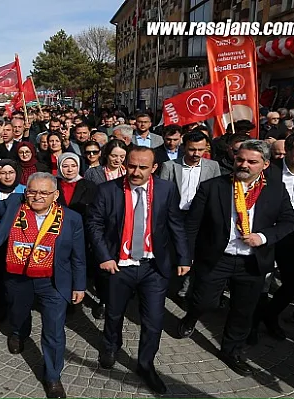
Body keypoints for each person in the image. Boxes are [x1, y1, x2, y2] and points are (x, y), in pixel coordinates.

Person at [177, 140, 294, 376]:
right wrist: (185, 257)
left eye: (252, 162)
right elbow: (192, 225)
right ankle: (191, 317)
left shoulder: (275, 189)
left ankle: (231, 350)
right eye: (240, 159)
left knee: (243, 310)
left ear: (265, 164)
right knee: (205, 301)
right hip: (216, 257)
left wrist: (262, 237)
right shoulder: (213, 187)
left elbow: (288, 222)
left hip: (252, 261)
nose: (244, 165)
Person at [0, 171, 86, 399]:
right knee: (18, 311)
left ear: (55, 195)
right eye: (32, 191)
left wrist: (79, 285)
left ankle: (53, 376)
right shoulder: (14, 205)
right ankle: (17, 332)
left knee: (54, 330)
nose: (37, 196)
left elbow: (78, 256)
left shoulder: (71, 218)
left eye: (44, 192)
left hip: (53, 282)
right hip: (18, 276)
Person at [88, 146, 189, 394]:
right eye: (131, 166)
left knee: (154, 320)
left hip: (153, 267)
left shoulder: (166, 190)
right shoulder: (107, 190)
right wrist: (104, 256)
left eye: (142, 167)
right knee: (113, 313)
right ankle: (111, 346)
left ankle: (146, 364)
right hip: (118, 266)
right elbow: (94, 224)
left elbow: (175, 224)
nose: (135, 171)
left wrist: (184, 257)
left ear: (154, 168)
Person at [249, 130, 294, 342]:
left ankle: (270, 315)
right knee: (260, 282)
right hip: (267, 235)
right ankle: (251, 324)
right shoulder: (268, 172)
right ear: (289, 151)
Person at [157, 131, 221, 299]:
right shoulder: (170, 166)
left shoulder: (213, 166)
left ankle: (186, 288)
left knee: (194, 252)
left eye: (201, 149)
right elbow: (162, 194)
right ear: (184, 147)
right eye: (192, 149)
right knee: (171, 251)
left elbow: (216, 194)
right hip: (175, 216)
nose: (196, 154)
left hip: (200, 218)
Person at [56, 153, 97, 218]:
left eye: (74, 166)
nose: (70, 170)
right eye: (65, 166)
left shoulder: (89, 186)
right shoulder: (53, 184)